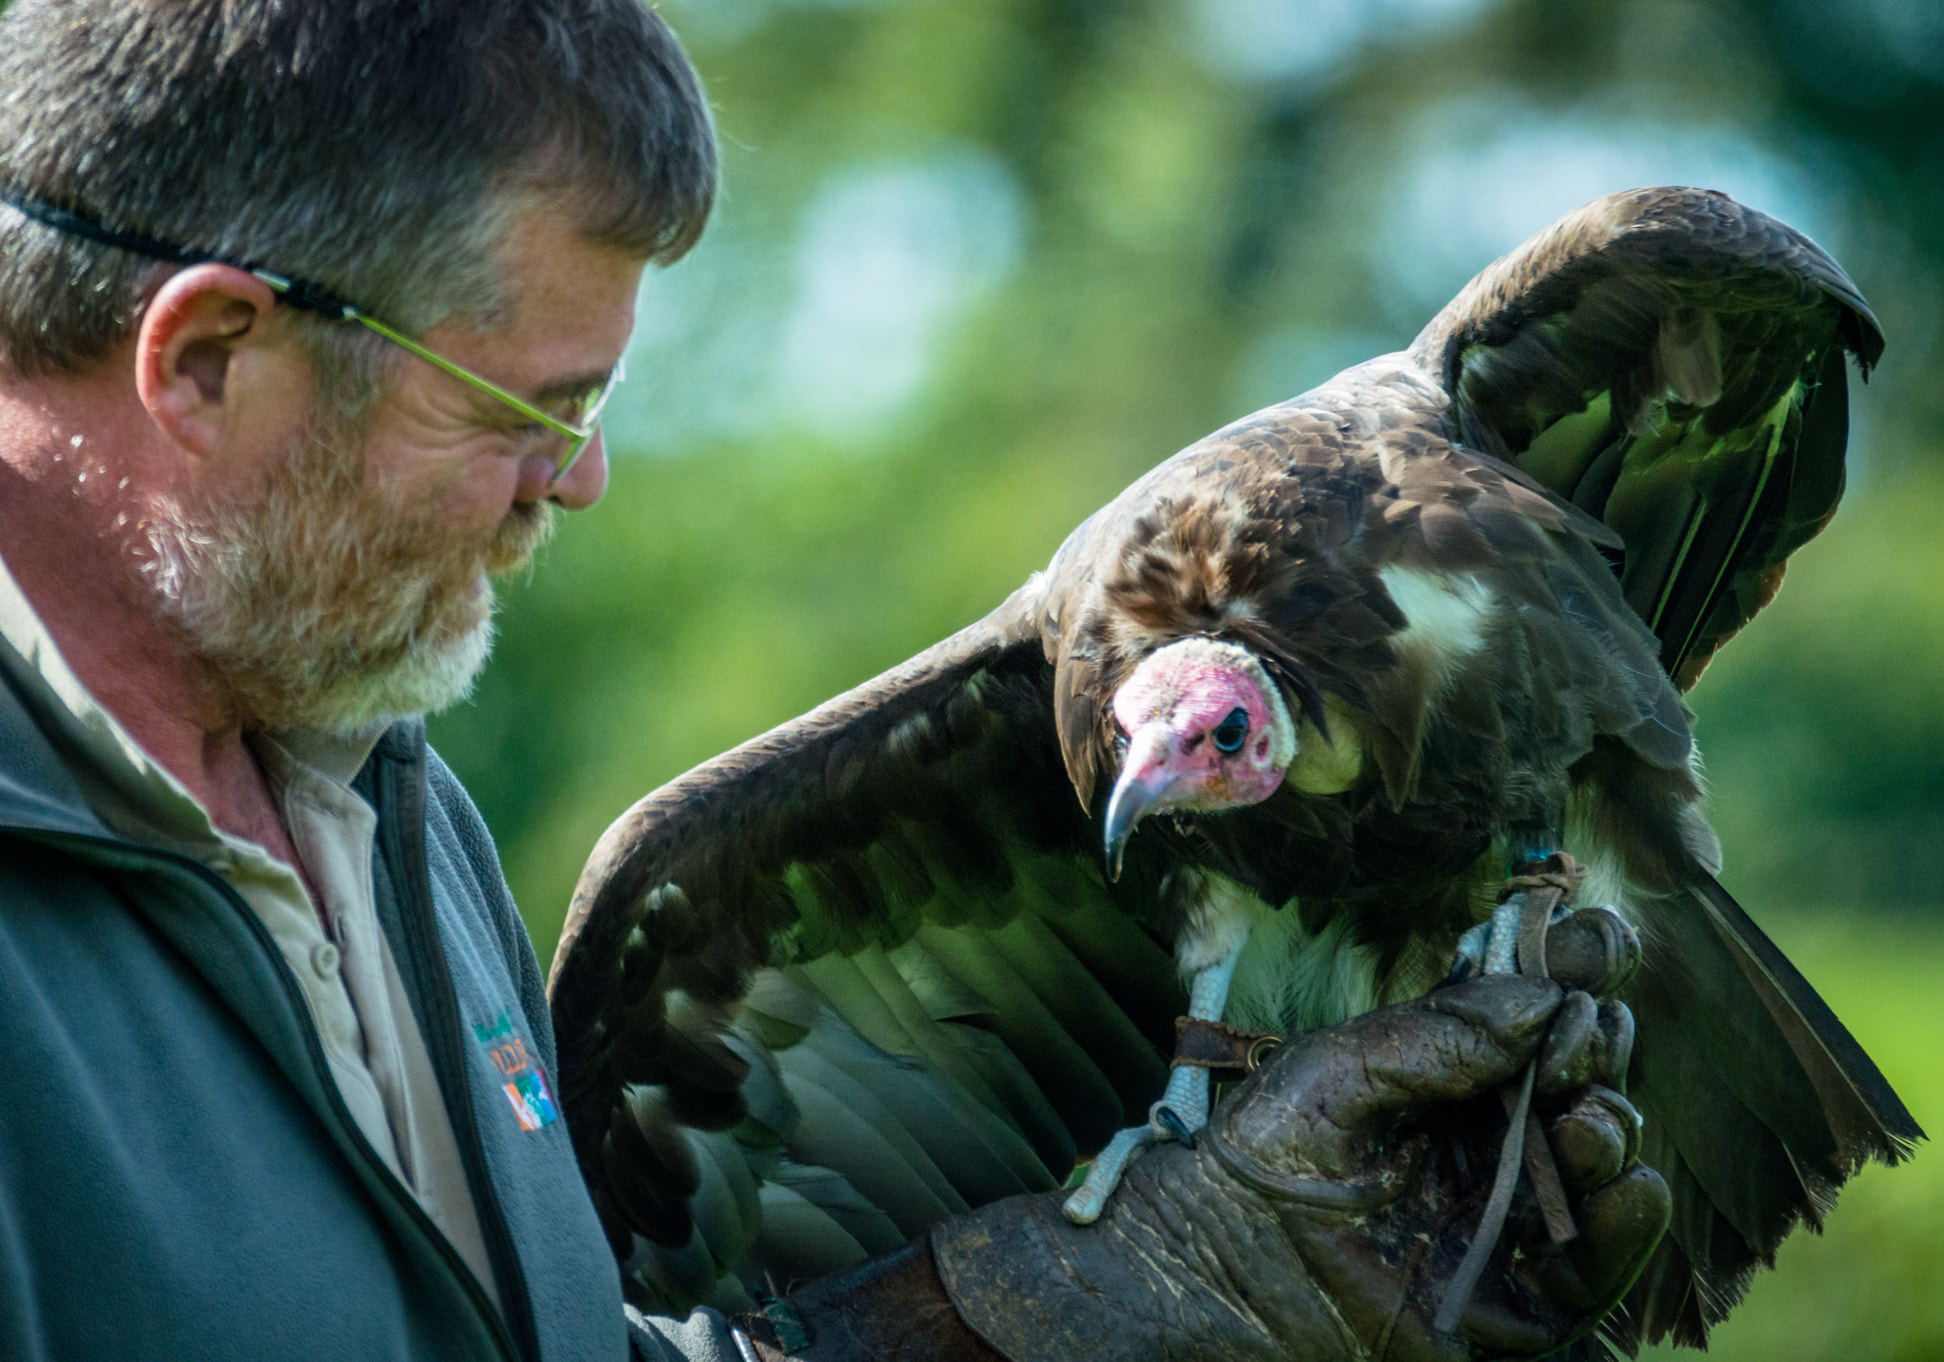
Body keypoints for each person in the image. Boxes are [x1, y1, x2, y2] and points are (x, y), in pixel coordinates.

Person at [0, 2, 1669, 1358]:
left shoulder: (377, 800)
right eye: (529, 409)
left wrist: (1096, 1307)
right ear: (210, 360)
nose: (578, 483)